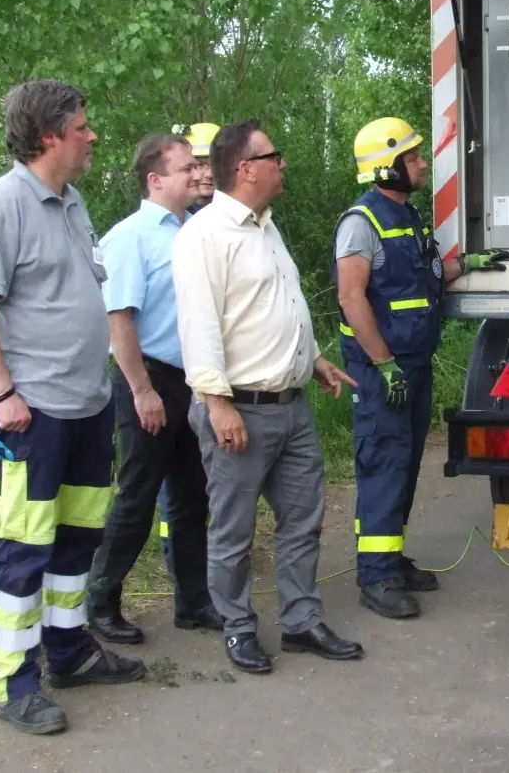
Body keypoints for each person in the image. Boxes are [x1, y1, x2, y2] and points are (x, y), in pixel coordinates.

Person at [0, 80, 144, 736]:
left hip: (87, 405)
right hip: (34, 414)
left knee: (77, 538)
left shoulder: (72, 202)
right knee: (23, 546)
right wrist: (2, 392)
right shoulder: (2, 205)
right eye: (83, 127)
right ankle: (14, 679)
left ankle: (69, 652)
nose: (92, 136)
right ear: (48, 136)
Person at [172, 118, 363, 673]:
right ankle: (237, 627)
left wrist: (313, 361)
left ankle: (301, 620)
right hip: (239, 411)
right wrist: (216, 402)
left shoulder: (267, 228)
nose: (283, 164)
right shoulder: (204, 236)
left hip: (292, 406)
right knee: (233, 531)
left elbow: (273, 311)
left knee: (303, 519)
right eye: (273, 156)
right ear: (246, 167)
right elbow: (200, 326)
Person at [333, 117, 509, 619]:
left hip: (413, 365)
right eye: (411, 158)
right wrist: (384, 364)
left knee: (405, 463)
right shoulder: (360, 224)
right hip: (382, 371)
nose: (420, 165)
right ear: (385, 167)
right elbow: (351, 298)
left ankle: (391, 557)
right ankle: (376, 576)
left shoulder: (408, 218)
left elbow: (426, 278)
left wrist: (466, 264)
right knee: (384, 464)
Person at [84, 134, 221, 645]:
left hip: (192, 381)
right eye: (186, 168)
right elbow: (119, 321)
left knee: (190, 495)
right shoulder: (131, 237)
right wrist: (142, 392)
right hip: (150, 378)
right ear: (155, 179)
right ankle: (99, 600)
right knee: (139, 495)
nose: (197, 175)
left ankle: (193, 601)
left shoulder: (189, 230)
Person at [156, 121, 220, 572]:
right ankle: (176, 554)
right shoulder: (174, 225)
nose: (203, 174)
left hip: (206, 368)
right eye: (194, 165)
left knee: (201, 472)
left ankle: (197, 553)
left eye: (209, 164)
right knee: (176, 477)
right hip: (169, 368)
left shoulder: (219, 219)